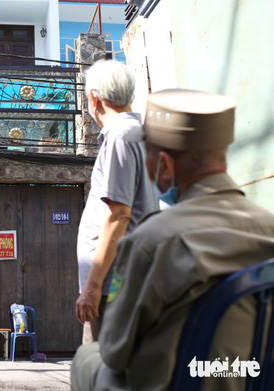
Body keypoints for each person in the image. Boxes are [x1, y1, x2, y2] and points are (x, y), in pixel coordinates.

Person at [71, 89, 274, 391]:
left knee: (88, 358)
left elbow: (115, 351)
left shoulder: (151, 242)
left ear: (164, 164)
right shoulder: (268, 228)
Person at [75, 60, 158, 343]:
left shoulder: (121, 136)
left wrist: (93, 287)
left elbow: (118, 215)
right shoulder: (138, 135)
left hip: (114, 288)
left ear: (94, 98)